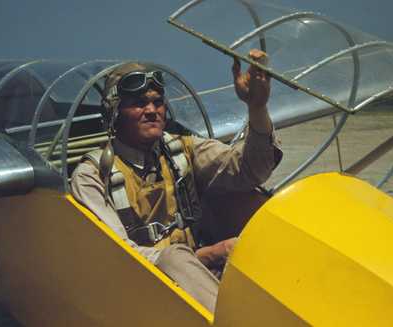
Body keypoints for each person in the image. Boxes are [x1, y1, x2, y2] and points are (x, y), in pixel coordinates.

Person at [70, 49, 282, 313]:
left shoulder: (181, 150)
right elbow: (120, 255)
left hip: (196, 277)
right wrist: (207, 255)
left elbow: (250, 170)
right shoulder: (93, 176)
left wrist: (257, 107)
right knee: (173, 258)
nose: (152, 110)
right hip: (139, 291)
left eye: (157, 102)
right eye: (138, 103)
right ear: (114, 112)